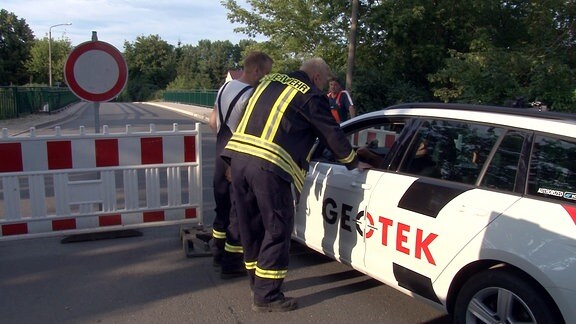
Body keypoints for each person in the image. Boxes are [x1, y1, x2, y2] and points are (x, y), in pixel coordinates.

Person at [222, 58, 366, 312]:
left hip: (238, 159)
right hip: (268, 166)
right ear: (318, 78)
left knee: (251, 225)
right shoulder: (310, 96)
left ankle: (257, 284)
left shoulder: (268, 82)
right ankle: (267, 296)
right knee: (277, 227)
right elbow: (331, 134)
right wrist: (354, 162)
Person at [208, 51, 273, 279]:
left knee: (222, 204)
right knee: (238, 208)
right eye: (265, 73)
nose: (265, 78)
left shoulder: (226, 87)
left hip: (219, 146)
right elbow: (246, 131)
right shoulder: (251, 96)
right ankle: (231, 262)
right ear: (256, 70)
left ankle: (216, 250)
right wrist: (231, 165)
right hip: (234, 154)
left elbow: (212, 121)